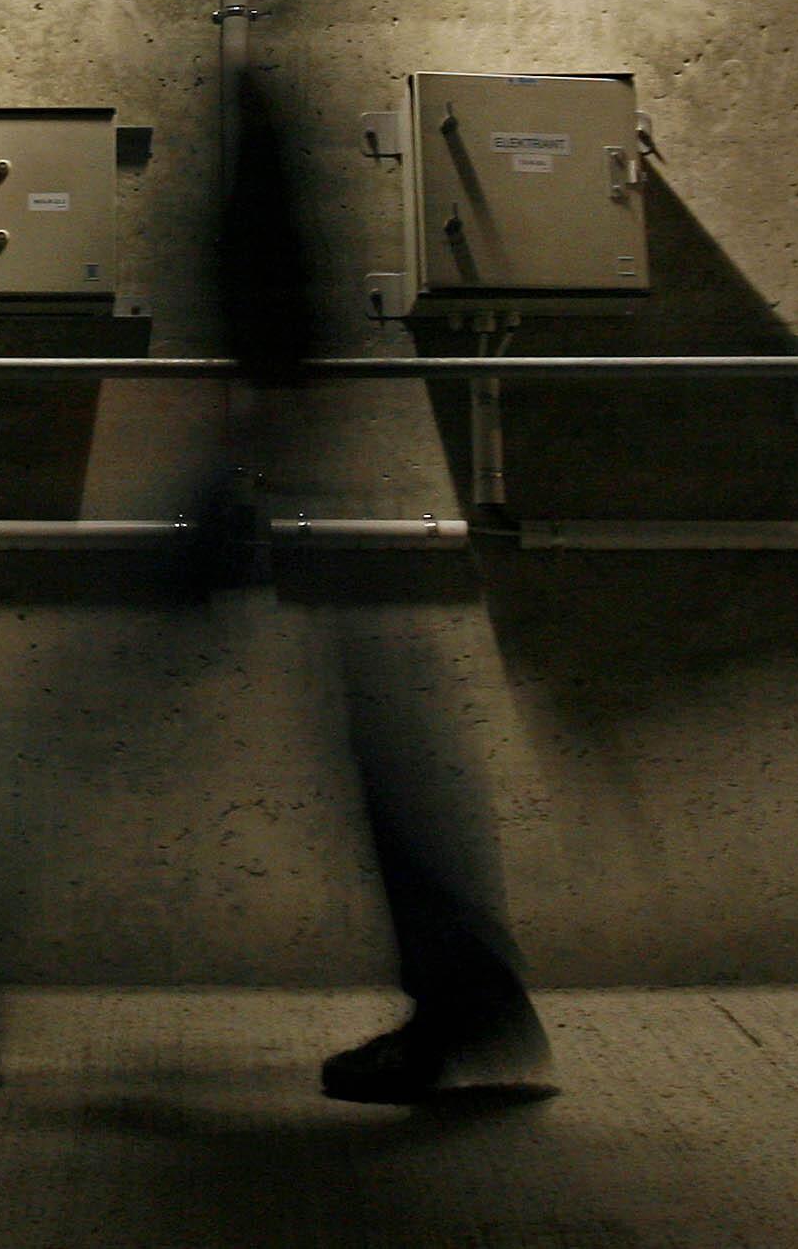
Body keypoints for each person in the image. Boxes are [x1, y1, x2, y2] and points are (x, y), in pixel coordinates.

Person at [215, 71, 555, 1104]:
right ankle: (470, 1003)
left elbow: (269, 285)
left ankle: (471, 1005)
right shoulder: (260, 87)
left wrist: (254, 432)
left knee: (389, 735)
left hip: (277, 441)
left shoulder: (257, 90)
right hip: (283, 441)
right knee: (386, 729)